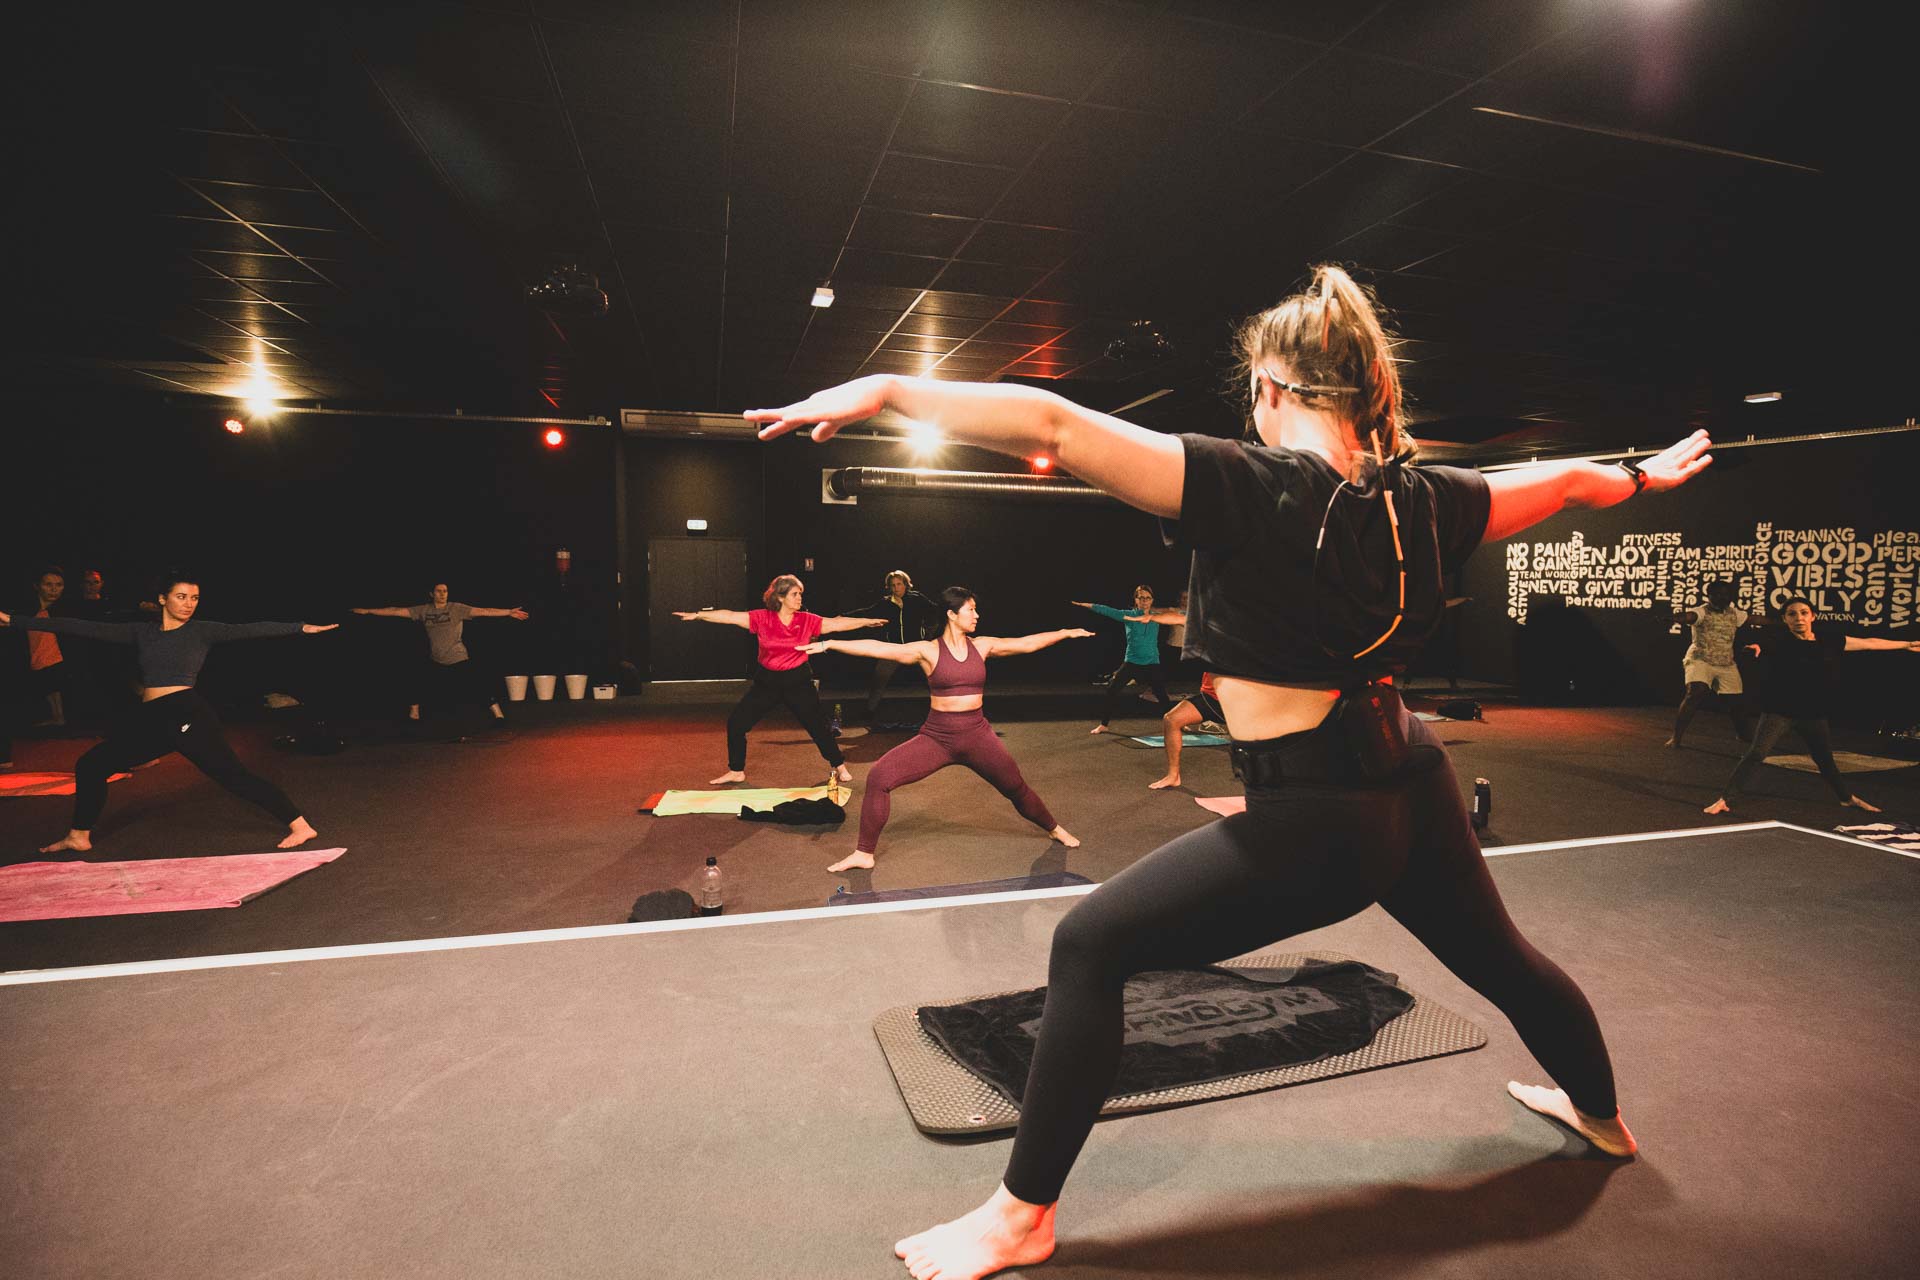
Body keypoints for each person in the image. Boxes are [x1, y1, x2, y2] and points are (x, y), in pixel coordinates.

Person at [748, 264, 1714, 1280]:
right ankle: (1604, 1119)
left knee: (1089, 944)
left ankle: (1021, 1215)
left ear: (1272, 390)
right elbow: (1567, 482)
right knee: (1506, 959)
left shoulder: (1253, 488)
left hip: (1316, 823)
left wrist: (895, 390)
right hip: (1413, 782)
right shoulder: (1432, 500)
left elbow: (1057, 425)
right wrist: (1644, 476)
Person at [0, 573, 337, 853]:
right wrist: (14, 620)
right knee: (91, 764)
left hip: (186, 713)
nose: (188, 604)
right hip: (155, 719)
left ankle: (299, 824)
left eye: (194, 598)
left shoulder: (202, 631)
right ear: (162, 599)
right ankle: (79, 835)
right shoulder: (141, 632)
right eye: (181, 597)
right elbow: (80, 627)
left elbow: (250, 628)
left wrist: (301, 627)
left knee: (233, 776)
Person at [799, 586, 1090, 873]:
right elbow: (882, 648)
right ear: (952, 614)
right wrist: (830, 644)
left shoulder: (982, 645)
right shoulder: (928, 651)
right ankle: (864, 853)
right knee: (879, 777)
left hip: (978, 736)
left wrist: (1063, 633)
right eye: (971, 609)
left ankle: (1054, 828)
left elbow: (1025, 643)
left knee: (1016, 788)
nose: (977, 615)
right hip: (937, 738)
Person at [1702, 596, 1918, 815]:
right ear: (1785, 619)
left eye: (1804, 613)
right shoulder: (1778, 641)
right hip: (1780, 712)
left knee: (1825, 760)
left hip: (1812, 714)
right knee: (1756, 753)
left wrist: (1906, 644)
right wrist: (1755, 648)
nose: (1799, 618)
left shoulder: (1829, 641)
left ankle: (1846, 799)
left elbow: (1869, 643)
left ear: (1812, 616)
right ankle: (1724, 800)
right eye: (1792, 614)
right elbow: (1761, 646)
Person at [675, 575, 883, 785]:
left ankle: (839, 766)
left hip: (798, 682)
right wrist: (698, 615)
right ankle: (736, 770)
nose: (799, 598)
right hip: (768, 683)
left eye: (800, 593)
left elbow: (837, 624)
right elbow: (729, 616)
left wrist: (866, 622)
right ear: (780, 597)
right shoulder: (762, 618)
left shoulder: (806, 620)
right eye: (794, 594)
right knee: (737, 723)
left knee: (818, 726)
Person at [351, 584, 528, 726]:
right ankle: (414, 715)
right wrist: (368, 611)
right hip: (437, 659)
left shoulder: (456, 608)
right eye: (439, 591)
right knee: (417, 681)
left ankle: (499, 716)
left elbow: (484, 611)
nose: (443, 594)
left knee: (478, 685)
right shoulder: (423, 610)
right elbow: (395, 610)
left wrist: (508, 612)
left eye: (445, 591)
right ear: (431, 593)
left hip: (458, 657)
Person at [1665, 579, 1756, 747]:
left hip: (1726, 663)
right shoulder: (1701, 611)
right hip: (1700, 659)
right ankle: (1676, 737)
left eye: (1726, 594)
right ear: (1709, 595)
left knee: (1735, 703)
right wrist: (1679, 618)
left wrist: (1784, 622)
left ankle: (1743, 735)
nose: (1723, 597)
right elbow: (1689, 616)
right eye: (1718, 594)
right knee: (1695, 692)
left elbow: (1754, 619)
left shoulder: (1734, 613)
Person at [1072, 586, 1172, 733]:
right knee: (1111, 690)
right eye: (1141, 598)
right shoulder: (1128, 615)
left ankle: (1177, 722)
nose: (1144, 601)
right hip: (1132, 661)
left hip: (1152, 662)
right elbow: (1107, 610)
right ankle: (1104, 725)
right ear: (1136, 600)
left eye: (1147, 598)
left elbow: (1180, 615)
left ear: (1152, 600)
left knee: (1162, 695)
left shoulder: (1157, 616)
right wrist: (1086, 605)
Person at [856, 570, 942, 723]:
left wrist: (929, 635)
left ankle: (944, 711)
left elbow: (936, 611)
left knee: (933, 679)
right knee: (879, 679)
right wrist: (841, 616)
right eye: (893, 585)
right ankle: (869, 712)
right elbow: (866, 612)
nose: (896, 588)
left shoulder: (917, 598)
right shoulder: (886, 603)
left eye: (899, 584)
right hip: (894, 649)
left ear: (906, 584)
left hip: (917, 648)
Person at [20, 567, 69, 727]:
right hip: (33, 659)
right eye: (48, 584)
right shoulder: (24, 609)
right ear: (37, 586)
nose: (54, 589)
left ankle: (58, 717)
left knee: (54, 686)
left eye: (59, 584)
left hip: (55, 659)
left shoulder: (65, 611)